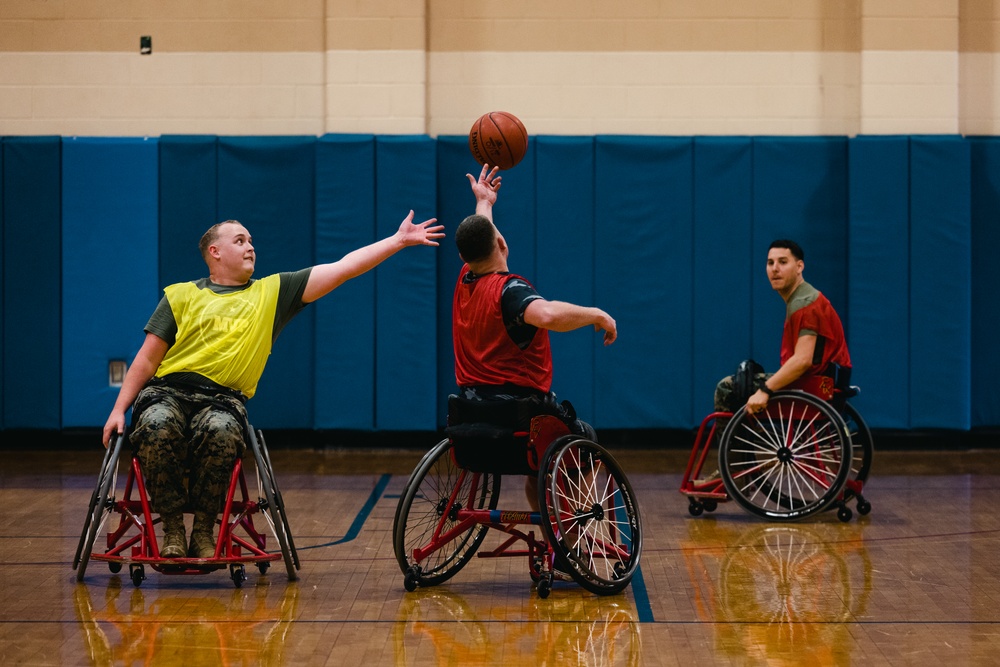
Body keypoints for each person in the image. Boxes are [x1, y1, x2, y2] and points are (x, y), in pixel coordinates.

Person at [102, 211, 444, 558]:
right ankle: (173, 527)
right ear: (214, 252)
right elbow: (146, 360)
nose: (251, 247)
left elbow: (344, 267)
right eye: (240, 241)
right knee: (155, 424)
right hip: (168, 392)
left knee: (222, 431)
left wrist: (397, 240)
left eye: (251, 241)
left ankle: (205, 530)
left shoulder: (273, 292)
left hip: (222, 401)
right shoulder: (180, 296)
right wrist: (119, 410)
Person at [451, 164, 617, 511]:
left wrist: (485, 203)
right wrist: (597, 315)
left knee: (542, 456)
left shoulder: (465, 279)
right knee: (583, 439)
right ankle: (568, 531)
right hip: (520, 417)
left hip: (470, 412)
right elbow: (548, 314)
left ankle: (548, 522)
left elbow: (480, 237)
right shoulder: (510, 290)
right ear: (500, 243)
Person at [714, 239, 852, 415]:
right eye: (770, 263)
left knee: (727, 387)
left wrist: (764, 390)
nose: (775, 268)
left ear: (799, 266)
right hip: (828, 380)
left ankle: (739, 443)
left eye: (783, 262)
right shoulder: (803, 299)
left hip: (816, 384)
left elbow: (802, 361)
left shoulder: (805, 303)